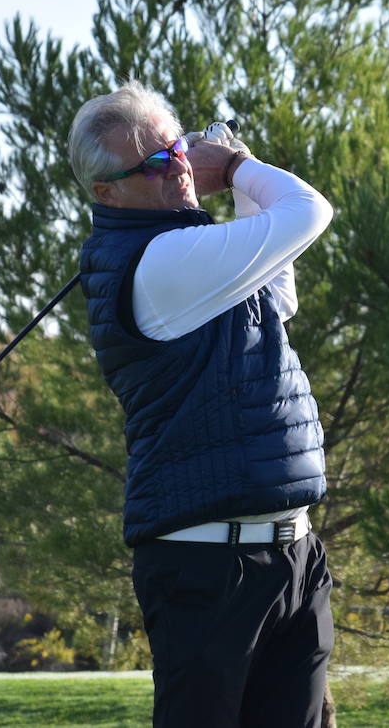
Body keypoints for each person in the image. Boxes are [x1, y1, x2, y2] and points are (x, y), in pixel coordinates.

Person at [70, 80, 335, 728]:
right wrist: (238, 168)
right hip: (207, 572)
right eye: (157, 165)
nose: (180, 169)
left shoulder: (195, 256)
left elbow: (278, 284)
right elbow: (307, 213)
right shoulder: (159, 263)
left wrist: (223, 164)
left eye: (180, 150)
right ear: (108, 193)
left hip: (291, 557)